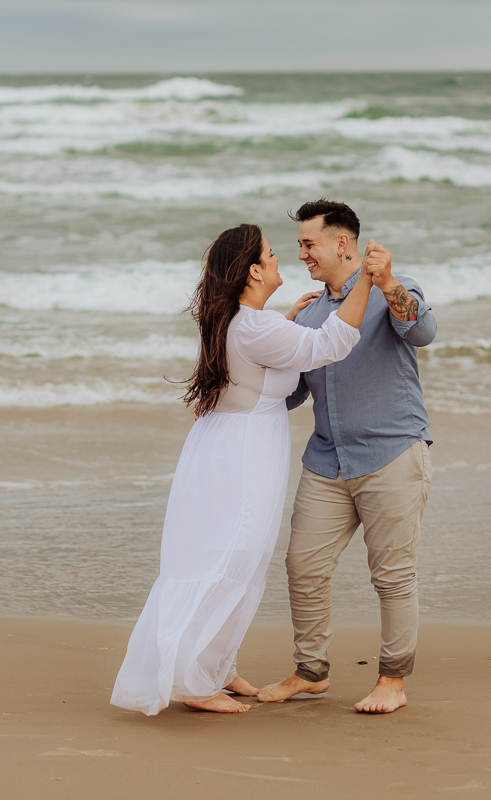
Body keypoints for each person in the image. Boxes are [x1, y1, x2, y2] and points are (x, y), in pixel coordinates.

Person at [110, 223, 378, 715]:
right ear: (254, 271)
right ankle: (196, 683)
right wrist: (367, 280)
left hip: (225, 448)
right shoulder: (255, 327)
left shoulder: (238, 321)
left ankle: (215, 665)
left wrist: (288, 321)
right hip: (243, 457)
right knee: (233, 557)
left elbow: (268, 358)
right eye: (271, 254)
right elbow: (332, 343)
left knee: (236, 559)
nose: (280, 260)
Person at [256, 199, 437, 714]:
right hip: (326, 462)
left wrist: (389, 282)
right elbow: (292, 395)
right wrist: (279, 335)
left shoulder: (393, 290)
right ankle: (311, 672)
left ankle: (392, 681)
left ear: (342, 243)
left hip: (391, 454)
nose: (301, 255)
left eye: (308, 244)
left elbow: (423, 331)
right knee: (302, 566)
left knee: (392, 576)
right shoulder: (311, 313)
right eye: (298, 246)